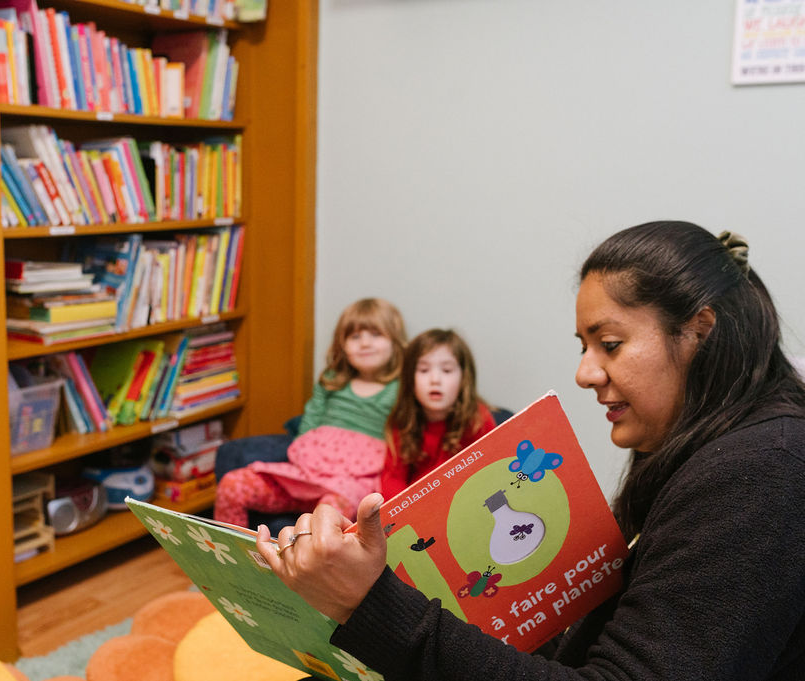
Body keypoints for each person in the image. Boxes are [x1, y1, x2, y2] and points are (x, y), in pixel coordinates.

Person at [257, 221, 805, 680]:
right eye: (584, 347)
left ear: (698, 333)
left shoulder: (765, 471)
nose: (585, 372)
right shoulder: (700, 444)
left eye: (609, 344)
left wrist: (374, 606)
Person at [214, 297, 407, 528]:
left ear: (395, 341)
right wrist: (303, 457)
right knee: (232, 485)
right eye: (355, 337)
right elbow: (310, 422)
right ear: (342, 345)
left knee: (330, 512)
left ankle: (308, 560)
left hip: (352, 482)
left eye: (376, 335)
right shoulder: (332, 380)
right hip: (304, 474)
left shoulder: (400, 388)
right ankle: (236, 558)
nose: (365, 344)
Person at [381, 328, 497, 497]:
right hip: (416, 510)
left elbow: (490, 475)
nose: (435, 379)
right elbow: (392, 480)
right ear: (409, 379)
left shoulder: (478, 419)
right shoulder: (403, 420)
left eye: (447, 370)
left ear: (464, 378)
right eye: (423, 370)